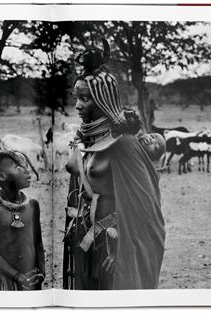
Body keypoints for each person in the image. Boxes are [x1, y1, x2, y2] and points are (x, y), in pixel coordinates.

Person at [64, 39, 165, 290]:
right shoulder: (88, 139)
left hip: (116, 239)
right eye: (76, 98)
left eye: (85, 99)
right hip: (88, 233)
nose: (78, 105)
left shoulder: (124, 144)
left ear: (102, 99)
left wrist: (122, 251)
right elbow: (77, 179)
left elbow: (145, 209)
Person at [0, 150, 45, 290]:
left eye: (27, 167)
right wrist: (18, 277)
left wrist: (41, 273)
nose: (28, 172)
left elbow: (38, 243)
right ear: (1, 176)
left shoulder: (33, 205)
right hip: (6, 280)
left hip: (32, 278)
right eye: (19, 168)